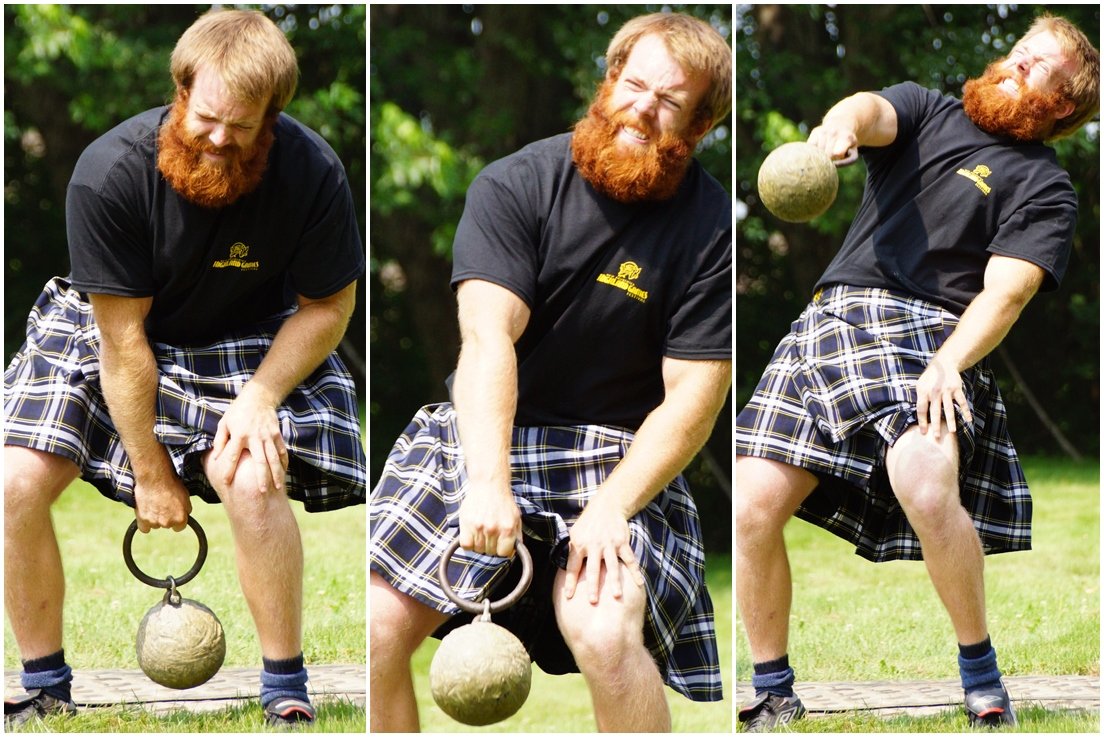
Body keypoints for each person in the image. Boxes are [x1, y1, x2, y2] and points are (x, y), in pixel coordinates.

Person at [734, 14, 1098, 732]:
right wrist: (836, 130)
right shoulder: (931, 111)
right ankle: (772, 687)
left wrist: (949, 362)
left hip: (933, 335)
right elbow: (870, 110)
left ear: (1061, 104)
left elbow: (1008, 291)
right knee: (750, 502)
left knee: (928, 485)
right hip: (832, 319)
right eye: (1016, 55)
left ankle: (980, 673)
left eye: (1034, 69)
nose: (1012, 68)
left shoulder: (1044, 187)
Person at [3, 9, 366, 729]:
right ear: (179, 91)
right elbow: (121, 340)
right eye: (206, 118)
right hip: (113, 324)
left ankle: (284, 684)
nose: (220, 139)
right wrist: (150, 470)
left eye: (243, 125)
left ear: (273, 116)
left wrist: (261, 397)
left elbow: (329, 305)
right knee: (13, 481)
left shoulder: (312, 171)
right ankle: (43, 680)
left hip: (248, 331)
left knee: (253, 472)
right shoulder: (108, 173)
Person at [369, 12, 732, 733]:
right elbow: (486, 341)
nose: (641, 109)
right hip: (484, 434)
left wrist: (612, 505)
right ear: (608, 82)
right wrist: (488, 480)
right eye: (634, 85)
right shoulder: (515, 185)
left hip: (619, 457)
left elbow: (695, 395)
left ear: (697, 127)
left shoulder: (712, 224)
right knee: (376, 624)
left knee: (602, 630)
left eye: (668, 103)